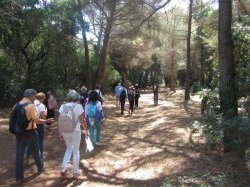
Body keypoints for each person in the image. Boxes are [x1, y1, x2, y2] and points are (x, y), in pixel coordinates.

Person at [14, 89, 54, 184]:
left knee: (19, 155)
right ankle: (40, 168)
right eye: (34, 96)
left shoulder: (17, 105)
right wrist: (46, 121)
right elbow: (37, 120)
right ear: (30, 96)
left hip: (19, 133)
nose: (35, 98)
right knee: (36, 151)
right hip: (30, 132)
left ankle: (19, 178)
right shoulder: (31, 106)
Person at [59, 89, 88, 179]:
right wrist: (86, 131)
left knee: (68, 148)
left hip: (65, 131)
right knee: (76, 151)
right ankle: (75, 172)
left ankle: (64, 168)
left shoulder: (62, 106)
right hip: (75, 131)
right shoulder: (78, 106)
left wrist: (61, 132)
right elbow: (82, 120)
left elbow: (61, 120)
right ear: (76, 97)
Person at [26, 92, 47, 159]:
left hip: (29, 124)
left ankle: (27, 155)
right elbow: (43, 116)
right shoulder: (41, 105)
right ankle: (40, 156)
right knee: (40, 140)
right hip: (38, 124)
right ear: (42, 98)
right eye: (43, 99)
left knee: (30, 140)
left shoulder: (30, 103)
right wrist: (46, 110)